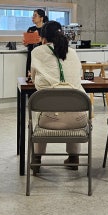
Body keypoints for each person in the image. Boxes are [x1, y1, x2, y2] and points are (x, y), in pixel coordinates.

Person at [29, 20, 86, 174]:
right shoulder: (72, 52)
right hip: (79, 118)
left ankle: (37, 159)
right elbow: (78, 76)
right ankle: (74, 158)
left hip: (48, 120)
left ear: (43, 37)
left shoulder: (37, 52)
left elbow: (34, 79)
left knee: (43, 105)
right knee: (71, 102)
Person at [23, 9, 48, 78]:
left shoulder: (46, 29)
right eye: (32, 16)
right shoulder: (31, 29)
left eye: (35, 16)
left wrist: (41, 40)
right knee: (29, 76)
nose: (33, 17)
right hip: (31, 55)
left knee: (40, 77)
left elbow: (50, 44)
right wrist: (25, 43)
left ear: (41, 18)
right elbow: (27, 44)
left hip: (42, 56)